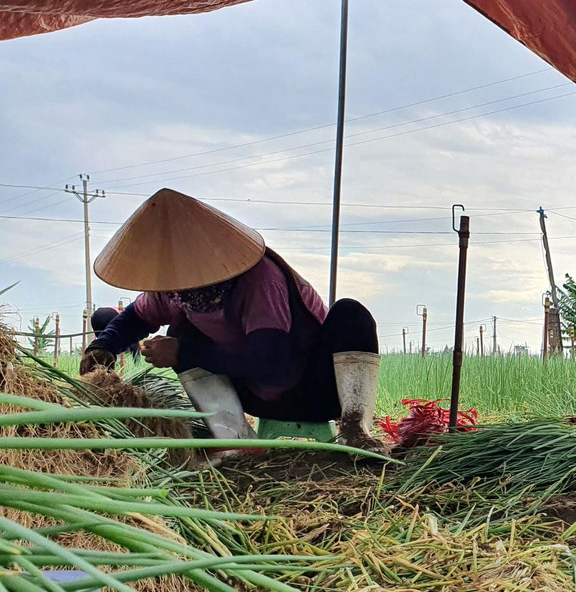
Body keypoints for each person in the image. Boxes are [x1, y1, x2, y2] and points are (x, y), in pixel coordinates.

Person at [80, 188, 385, 452]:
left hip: (313, 391)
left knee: (350, 313)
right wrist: (104, 346)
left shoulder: (261, 282)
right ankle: (234, 437)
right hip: (253, 398)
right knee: (181, 329)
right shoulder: (176, 292)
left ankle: (355, 430)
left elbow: (272, 365)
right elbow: (135, 316)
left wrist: (184, 352)